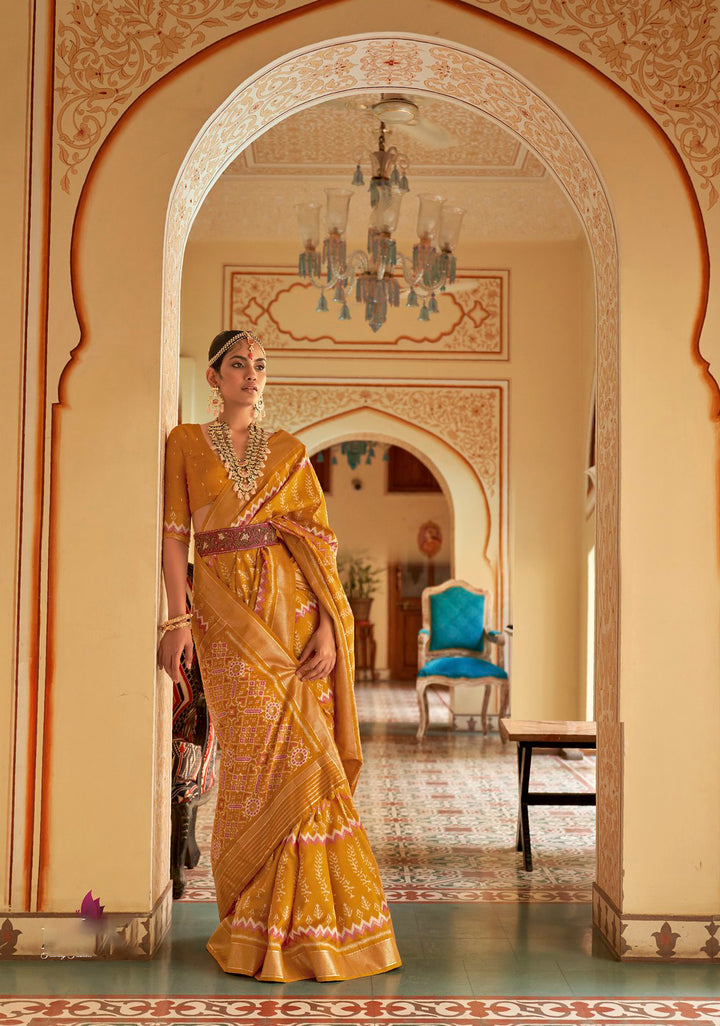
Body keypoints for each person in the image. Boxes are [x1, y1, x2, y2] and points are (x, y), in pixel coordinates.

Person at [158, 328, 401, 982]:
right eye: (238, 364)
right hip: (222, 613)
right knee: (252, 757)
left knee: (305, 749)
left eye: (260, 366)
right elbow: (176, 535)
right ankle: (252, 921)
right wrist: (177, 618)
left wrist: (328, 626)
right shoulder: (183, 443)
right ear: (213, 377)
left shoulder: (290, 452)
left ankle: (314, 926)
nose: (251, 375)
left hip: (292, 611)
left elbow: (317, 542)